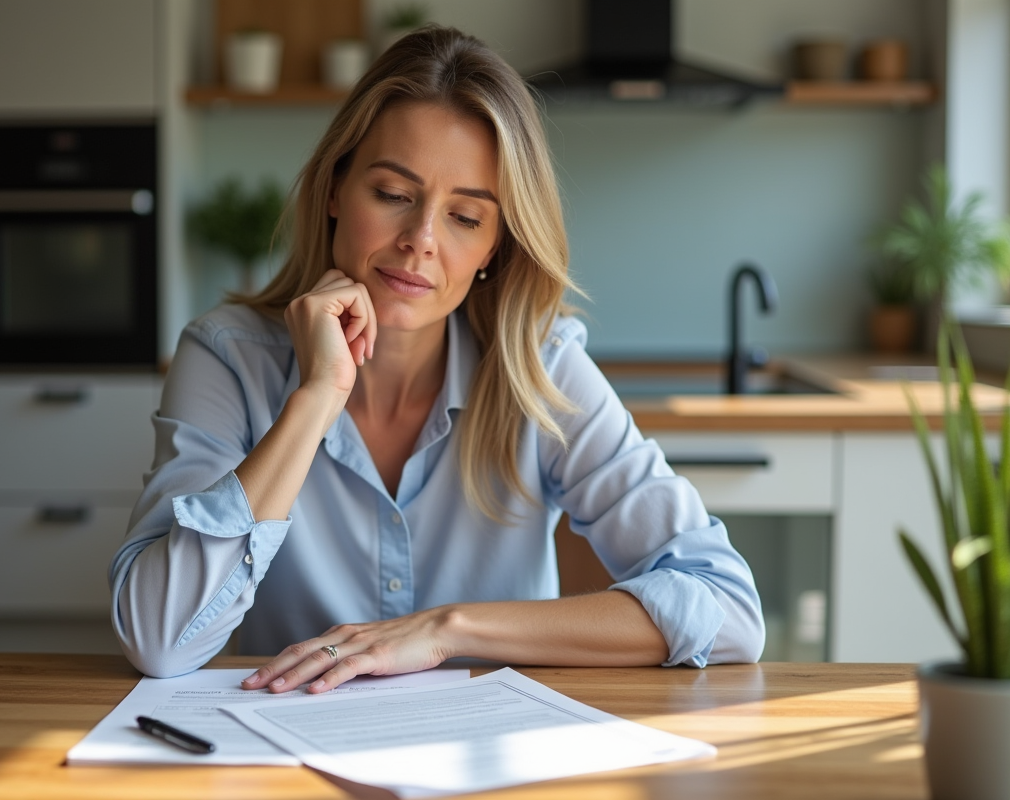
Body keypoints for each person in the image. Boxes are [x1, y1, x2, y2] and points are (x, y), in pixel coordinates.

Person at [110, 26, 764, 686]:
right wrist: (316, 397)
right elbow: (160, 640)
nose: (420, 239)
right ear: (336, 190)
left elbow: (729, 609)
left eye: (466, 217)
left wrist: (448, 630)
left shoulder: (538, 368)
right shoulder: (228, 358)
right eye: (394, 195)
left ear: (495, 249)